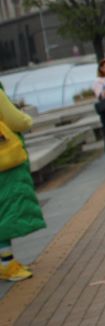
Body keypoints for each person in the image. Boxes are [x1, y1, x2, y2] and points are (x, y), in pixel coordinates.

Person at [0, 81, 46, 282]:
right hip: (4, 163)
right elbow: (17, 121)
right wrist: (27, 119)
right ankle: (7, 264)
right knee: (7, 212)